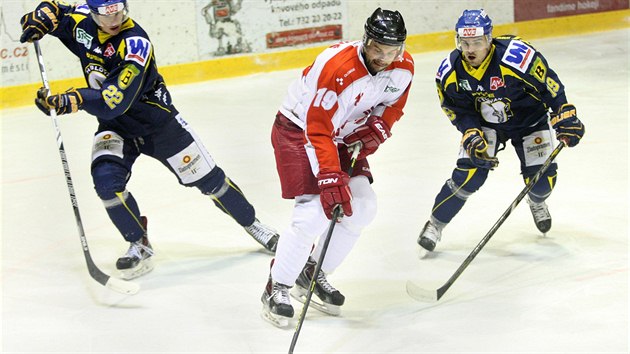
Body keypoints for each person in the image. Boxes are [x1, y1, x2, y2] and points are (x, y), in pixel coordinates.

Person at [19, 0, 279, 280]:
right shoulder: (82, 18)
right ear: (92, 12)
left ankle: (252, 224)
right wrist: (39, 18)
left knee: (211, 181)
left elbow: (113, 101)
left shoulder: (135, 44)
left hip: (159, 125)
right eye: (106, 14)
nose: (115, 18)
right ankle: (138, 241)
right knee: (106, 183)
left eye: (119, 10)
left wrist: (75, 99)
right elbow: (54, 11)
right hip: (116, 128)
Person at [260, 8, 414, 327]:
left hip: (341, 135)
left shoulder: (403, 67)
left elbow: (393, 105)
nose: (384, 58)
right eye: (377, 49)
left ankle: (312, 274)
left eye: (391, 50)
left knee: (364, 207)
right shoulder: (337, 69)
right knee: (314, 213)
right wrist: (330, 179)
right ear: (365, 40)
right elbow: (317, 128)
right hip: (299, 130)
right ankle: (277, 286)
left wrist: (379, 127)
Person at [416, 9, 585, 254]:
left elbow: (549, 84)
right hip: (486, 125)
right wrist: (470, 131)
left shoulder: (517, 57)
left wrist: (563, 114)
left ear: (489, 39)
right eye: (464, 42)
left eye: (476, 42)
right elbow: (455, 108)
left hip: (530, 121)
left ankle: (537, 202)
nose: (470, 49)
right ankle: (435, 224)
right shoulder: (450, 71)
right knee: (469, 175)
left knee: (540, 181)